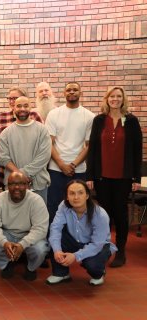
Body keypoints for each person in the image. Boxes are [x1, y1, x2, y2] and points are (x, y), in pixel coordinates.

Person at [86, 86, 142, 268]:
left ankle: (121, 250)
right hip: (102, 176)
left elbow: (137, 150)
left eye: (119, 96)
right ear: (107, 99)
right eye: (112, 96)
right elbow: (92, 149)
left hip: (123, 176)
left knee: (120, 214)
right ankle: (103, 249)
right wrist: (90, 175)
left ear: (123, 99)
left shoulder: (132, 121)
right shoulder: (99, 120)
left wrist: (136, 178)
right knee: (104, 214)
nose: (115, 99)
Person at [46, 180, 117, 286]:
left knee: (92, 264)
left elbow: (97, 244)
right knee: (53, 236)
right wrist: (57, 250)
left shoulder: (100, 214)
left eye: (80, 193)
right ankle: (61, 273)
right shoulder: (64, 206)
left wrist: (75, 256)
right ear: (66, 197)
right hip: (74, 240)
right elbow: (55, 228)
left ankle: (99, 273)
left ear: (87, 195)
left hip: (98, 245)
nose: (76, 197)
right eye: (72, 193)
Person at [0, 172, 50, 281]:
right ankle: (6, 264)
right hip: (7, 234)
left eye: (21, 184)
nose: (17, 187)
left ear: (27, 185)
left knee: (41, 248)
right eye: (12, 184)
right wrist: (4, 243)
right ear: (7, 186)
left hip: (28, 233)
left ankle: (31, 268)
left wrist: (22, 244)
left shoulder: (36, 200)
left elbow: (40, 229)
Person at [45, 82, 94, 221]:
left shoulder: (89, 116)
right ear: (64, 93)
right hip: (55, 169)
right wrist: (61, 164)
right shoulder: (54, 114)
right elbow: (49, 143)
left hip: (78, 170)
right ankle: (53, 239)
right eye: (68, 90)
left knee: (78, 206)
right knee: (54, 205)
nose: (72, 92)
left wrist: (73, 165)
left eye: (75, 90)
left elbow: (89, 146)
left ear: (80, 93)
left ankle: (76, 239)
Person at [0, 96, 51, 203]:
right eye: (19, 106)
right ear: (14, 108)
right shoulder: (5, 133)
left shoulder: (42, 130)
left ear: (31, 108)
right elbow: (3, 159)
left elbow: (44, 156)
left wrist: (22, 173)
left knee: (38, 218)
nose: (22, 108)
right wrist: (21, 176)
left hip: (38, 183)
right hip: (13, 185)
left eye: (26, 106)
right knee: (13, 218)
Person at [0, 87, 43, 191]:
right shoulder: (2, 117)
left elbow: (41, 148)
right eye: (9, 98)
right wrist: (14, 168)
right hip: (8, 171)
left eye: (15, 98)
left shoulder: (34, 117)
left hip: (34, 175)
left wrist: (26, 172)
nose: (11, 101)